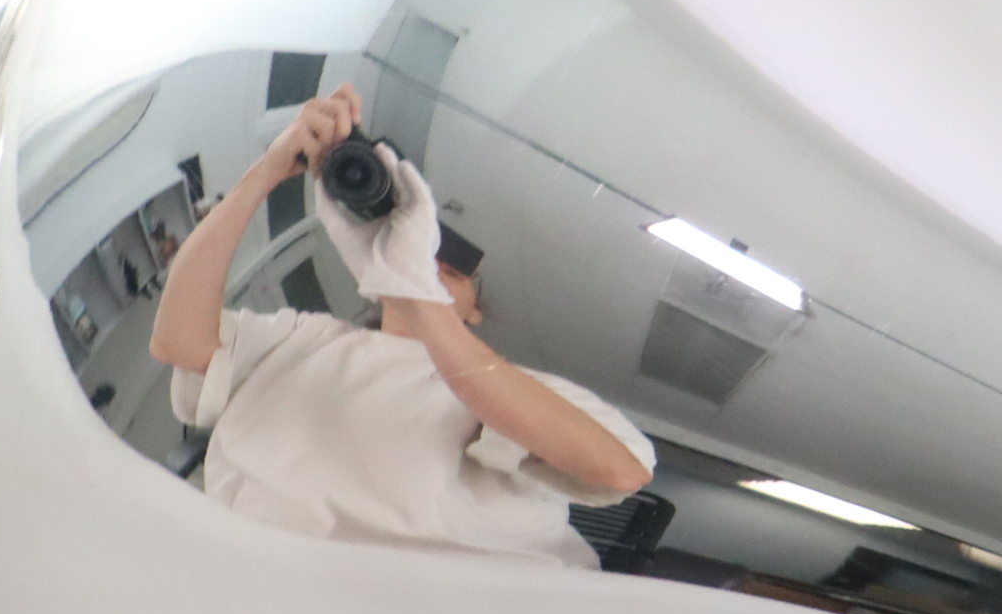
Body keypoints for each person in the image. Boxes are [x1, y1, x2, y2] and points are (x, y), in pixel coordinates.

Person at [148, 82, 653, 568]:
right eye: (419, 249)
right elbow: (177, 342)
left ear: (475, 312)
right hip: (249, 577)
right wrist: (266, 172)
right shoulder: (300, 338)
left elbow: (616, 470)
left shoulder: (527, 390)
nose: (430, 260)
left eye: (454, 267)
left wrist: (417, 293)